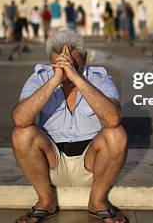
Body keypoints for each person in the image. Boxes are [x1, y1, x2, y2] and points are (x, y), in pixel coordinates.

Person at [12, 30, 129, 223]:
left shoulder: (100, 79)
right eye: (59, 63)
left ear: (85, 57)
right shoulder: (40, 78)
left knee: (117, 134)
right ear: (51, 61)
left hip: (92, 166)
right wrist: (55, 80)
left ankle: (97, 202)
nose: (66, 67)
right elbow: (20, 119)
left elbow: (113, 119)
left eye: (72, 63)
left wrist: (77, 78)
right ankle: (45, 201)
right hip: (51, 164)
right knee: (21, 134)